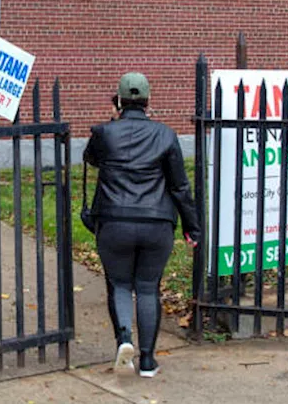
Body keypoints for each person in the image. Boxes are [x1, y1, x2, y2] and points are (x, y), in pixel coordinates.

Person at [83, 73, 200, 378]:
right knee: (148, 289)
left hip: (115, 222)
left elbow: (90, 159)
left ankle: (124, 340)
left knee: (120, 285)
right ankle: (148, 361)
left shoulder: (104, 133)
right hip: (156, 223)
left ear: (119, 101)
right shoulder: (166, 135)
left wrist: (111, 123)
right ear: (149, 102)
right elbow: (179, 187)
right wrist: (192, 227)